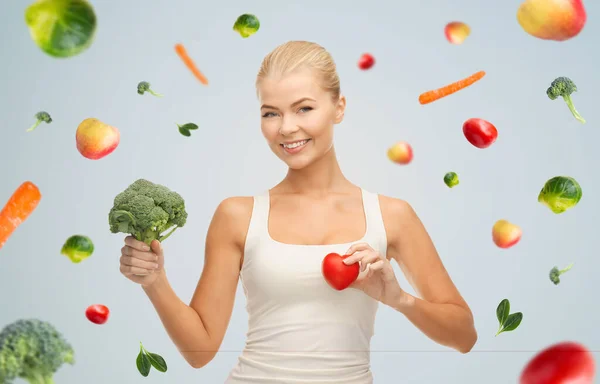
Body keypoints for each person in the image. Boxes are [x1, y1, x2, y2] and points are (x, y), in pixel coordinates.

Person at [119, 40, 478, 383]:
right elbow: (200, 351)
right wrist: (155, 282)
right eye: (270, 113)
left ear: (339, 107)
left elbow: (464, 335)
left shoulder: (392, 216)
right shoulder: (237, 216)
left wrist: (399, 299)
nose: (287, 127)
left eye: (304, 108)